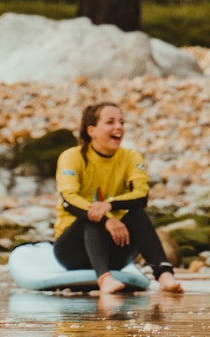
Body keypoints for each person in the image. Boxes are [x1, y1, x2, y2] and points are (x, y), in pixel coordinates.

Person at [54, 102, 182, 294]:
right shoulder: (72, 157)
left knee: (137, 214)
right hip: (72, 252)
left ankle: (164, 274)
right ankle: (105, 279)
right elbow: (69, 198)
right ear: (92, 130)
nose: (119, 127)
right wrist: (106, 218)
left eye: (122, 122)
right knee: (91, 218)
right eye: (110, 122)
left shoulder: (130, 157)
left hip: (116, 249)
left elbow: (141, 195)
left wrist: (110, 205)